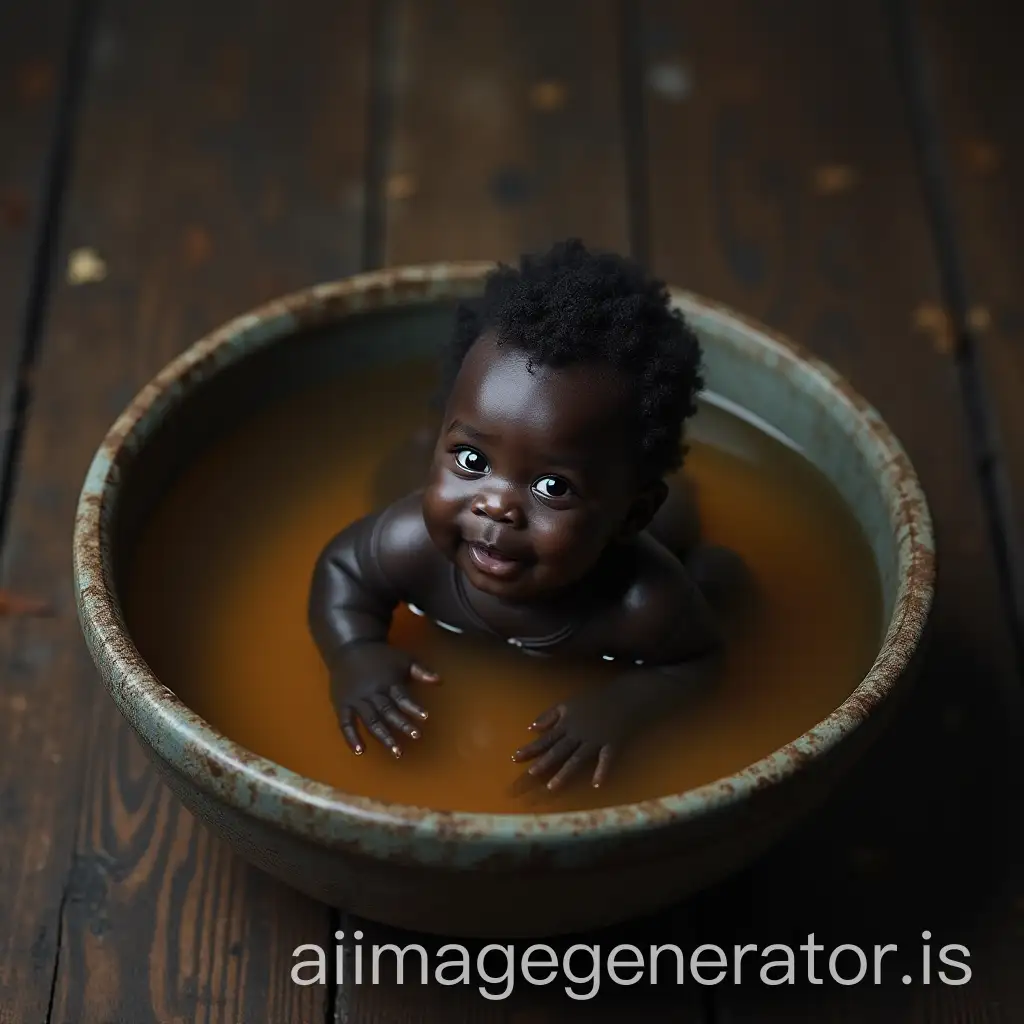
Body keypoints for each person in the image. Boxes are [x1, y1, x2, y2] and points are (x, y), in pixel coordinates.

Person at [308, 239, 751, 792]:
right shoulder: (408, 542)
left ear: (630, 515)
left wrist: (622, 707)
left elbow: (699, 663)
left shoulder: (642, 602)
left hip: (664, 531)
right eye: (472, 460)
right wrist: (356, 650)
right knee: (392, 481)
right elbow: (342, 572)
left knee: (718, 580)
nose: (496, 504)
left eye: (551, 486)